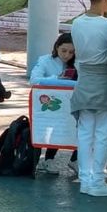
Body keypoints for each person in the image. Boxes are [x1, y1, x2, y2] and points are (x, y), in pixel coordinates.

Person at [69, 0, 107, 197]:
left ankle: (85, 178)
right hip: (106, 82)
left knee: (84, 133)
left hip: (84, 82)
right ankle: (97, 180)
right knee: (103, 134)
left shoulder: (77, 23)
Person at [30, 33, 79, 175]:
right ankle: (48, 159)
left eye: (71, 52)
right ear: (57, 47)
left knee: (78, 128)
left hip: (70, 104)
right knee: (50, 129)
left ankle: (75, 159)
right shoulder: (45, 60)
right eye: (64, 50)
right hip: (49, 105)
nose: (67, 55)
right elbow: (34, 79)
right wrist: (57, 78)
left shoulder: (77, 63)